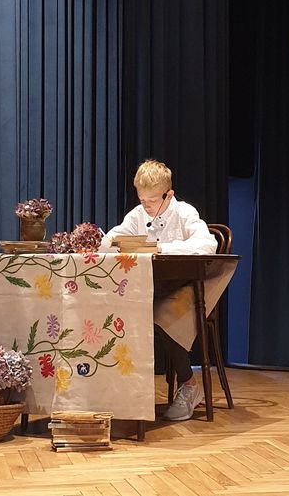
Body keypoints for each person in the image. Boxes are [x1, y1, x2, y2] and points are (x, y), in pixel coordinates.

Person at [102, 159, 217, 421]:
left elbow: (207, 244)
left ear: (169, 194)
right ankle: (122, 388)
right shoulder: (137, 214)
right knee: (115, 312)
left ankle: (189, 384)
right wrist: (99, 241)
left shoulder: (184, 212)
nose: (146, 206)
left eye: (152, 200)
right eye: (142, 199)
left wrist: (161, 248)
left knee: (161, 313)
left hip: (188, 288)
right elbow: (113, 238)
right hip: (150, 288)